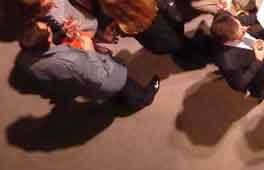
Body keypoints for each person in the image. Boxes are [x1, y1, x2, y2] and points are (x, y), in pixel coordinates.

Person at [16, 21, 159, 110]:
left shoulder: (24, 58)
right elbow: (99, 78)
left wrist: (62, 34)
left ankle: (120, 98)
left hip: (73, 85)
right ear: (48, 39)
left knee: (116, 94)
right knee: (126, 86)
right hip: (105, 80)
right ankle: (144, 98)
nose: (48, 25)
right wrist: (89, 49)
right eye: (48, 28)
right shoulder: (72, 60)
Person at [209, 12, 264, 100]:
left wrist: (259, 17)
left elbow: (241, 20)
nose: (244, 28)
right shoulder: (228, 62)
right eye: (241, 31)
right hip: (252, 72)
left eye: (240, 25)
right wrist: (258, 60)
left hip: (254, 55)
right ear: (229, 40)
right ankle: (260, 93)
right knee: (258, 83)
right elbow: (239, 84)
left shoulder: (225, 20)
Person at [96, 0, 188, 55]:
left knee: (179, 50)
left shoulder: (125, 28)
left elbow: (126, 22)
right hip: (173, 29)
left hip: (161, 45)